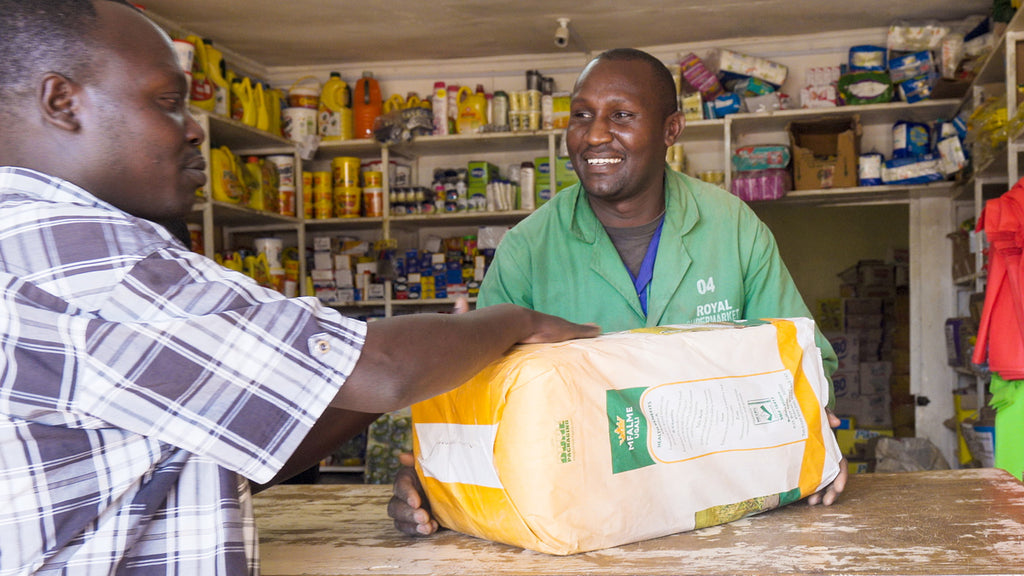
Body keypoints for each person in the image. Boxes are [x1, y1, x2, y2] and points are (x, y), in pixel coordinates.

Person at [0, 1, 600, 574]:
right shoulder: (90, 264)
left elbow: (231, 449)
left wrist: (416, 369)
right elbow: (384, 368)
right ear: (62, 102)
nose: (194, 132)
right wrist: (513, 323)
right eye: (166, 102)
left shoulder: (23, 246)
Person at [388, 48, 847, 536]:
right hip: (579, 521)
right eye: (581, 115)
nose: (594, 135)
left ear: (672, 129)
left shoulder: (733, 229)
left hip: (723, 510)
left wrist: (814, 441)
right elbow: (476, 404)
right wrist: (435, 480)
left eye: (621, 115)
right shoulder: (527, 249)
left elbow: (804, 367)